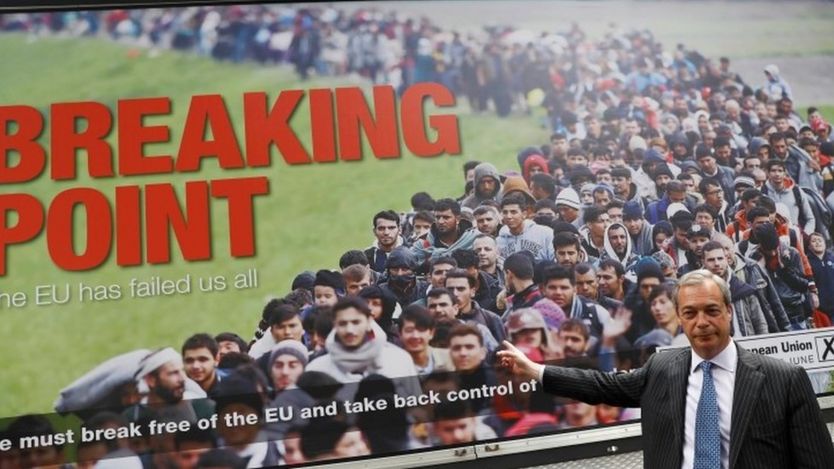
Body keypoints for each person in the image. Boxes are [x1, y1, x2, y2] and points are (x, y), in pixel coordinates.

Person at [497, 269, 834, 468]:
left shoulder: (783, 380)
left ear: (729, 310)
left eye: (711, 310)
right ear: (679, 318)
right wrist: (535, 370)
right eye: (690, 313)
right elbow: (602, 386)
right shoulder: (662, 367)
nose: (701, 323)